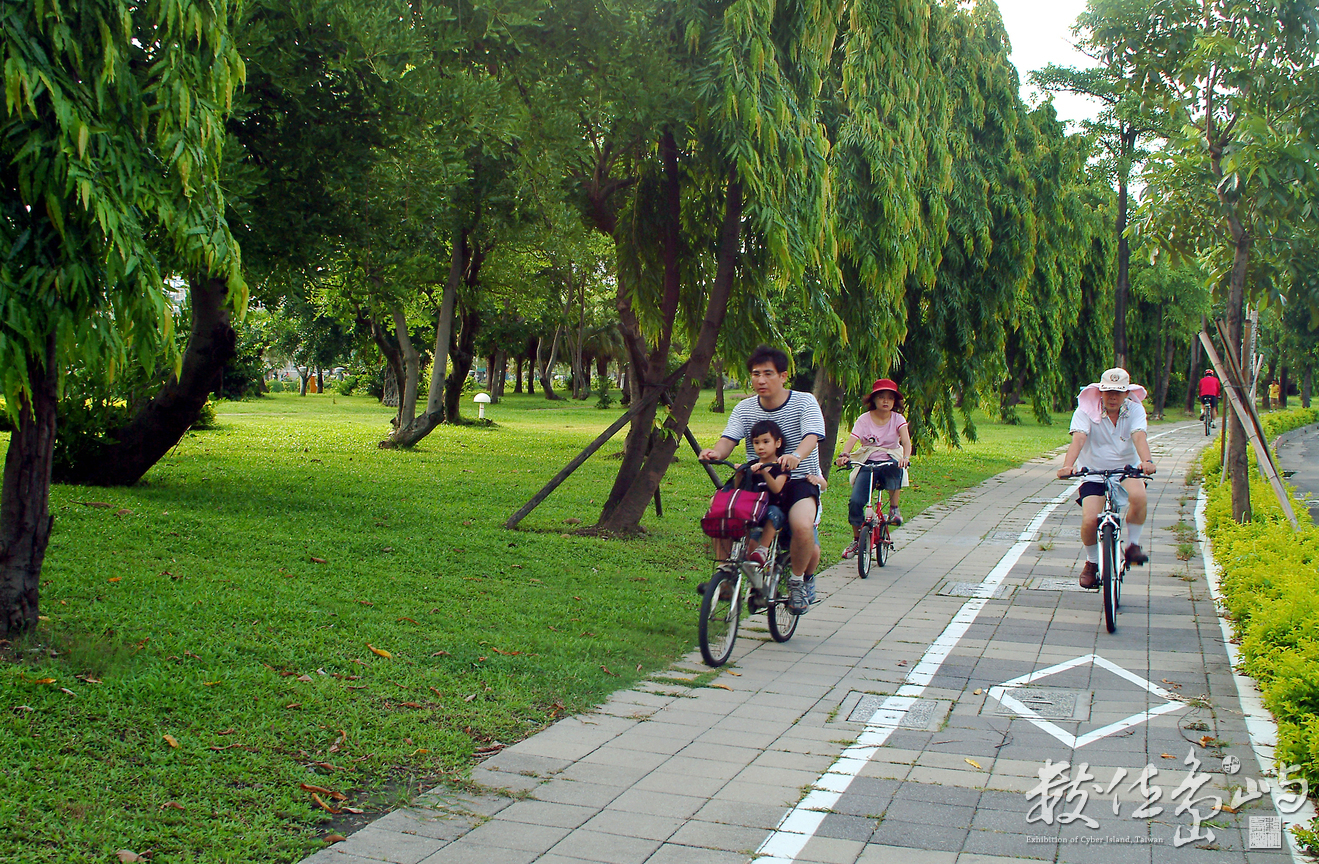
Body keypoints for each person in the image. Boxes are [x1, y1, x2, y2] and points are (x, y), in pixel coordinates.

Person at [701, 345, 826, 614]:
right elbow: (728, 440)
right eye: (756, 374)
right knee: (721, 507)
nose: (760, 380)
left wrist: (795, 456)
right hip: (757, 482)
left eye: (768, 373)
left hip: (799, 481)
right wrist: (715, 452)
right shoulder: (745, 408)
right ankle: (725, 573)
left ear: (783, 376)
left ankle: (797, 582)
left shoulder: (805, 402)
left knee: (802, 528)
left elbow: (812, 436)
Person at [1057, 367, 1157, 589]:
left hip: (1125, 469)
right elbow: (1079, 439)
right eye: (1108, 391)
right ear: (1100, 391)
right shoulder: (1085, 410)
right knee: (1090, 519)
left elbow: (1139, 436)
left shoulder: (1135, 410)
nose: (1113, 397)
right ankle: (1092, 562)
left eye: (1119, 392)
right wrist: (1067, 466)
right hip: (1093, 471)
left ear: (1126, 393)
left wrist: (1147, 462)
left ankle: (1132, 546)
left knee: (1139, 497)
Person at [835, 378, 912, 558]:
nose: (886, 401)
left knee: (896, 469)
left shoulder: (898, 419)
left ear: (895, 402)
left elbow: (906, 442)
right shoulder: (864, 419)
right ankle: (856, 539)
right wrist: (844, 455)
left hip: (889, 460)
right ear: (874, 400)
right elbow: (852, 440)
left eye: (890, 398)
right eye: (881, 397)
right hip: (868, 462)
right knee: (855, 502)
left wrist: (905, 458)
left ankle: (894, 509)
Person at [739, 420, 790, 598]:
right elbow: (740, 489)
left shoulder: (781, 466)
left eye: (765, 442)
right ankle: (756, 583)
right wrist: (742, 472)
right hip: (754, 512)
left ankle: (764, 549)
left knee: (772, 513)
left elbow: (777, 488)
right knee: (749, 552)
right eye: (756, 442)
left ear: (777, 443)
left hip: (774, 511)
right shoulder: (752, 464)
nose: (761, 447)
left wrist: (765, 472)